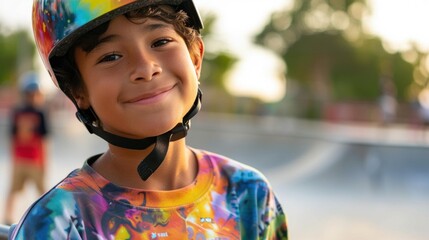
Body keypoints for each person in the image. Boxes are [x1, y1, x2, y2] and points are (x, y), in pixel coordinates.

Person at [10, 0, 288, 239]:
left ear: (195, 57)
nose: (145, 68)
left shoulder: (248, 195)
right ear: (78, 91)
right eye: (111, 56)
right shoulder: (59, 221)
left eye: (160, 41)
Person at [4, 71, 49, 225]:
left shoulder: (33, 112)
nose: (34, 97)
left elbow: (43, 140)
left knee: (42, 192)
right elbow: (14, 138)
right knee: (14, 191)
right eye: (32, 94)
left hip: (32, 159)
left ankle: (45, 217)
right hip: (25, 159)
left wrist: (44, 161)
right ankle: (8, 217)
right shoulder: (27, 112)